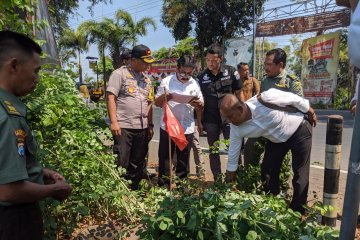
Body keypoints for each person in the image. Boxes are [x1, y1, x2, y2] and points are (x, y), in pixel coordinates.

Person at [0, 30, 72, 240]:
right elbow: (8, 191)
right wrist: (54, 190)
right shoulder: (7, 115)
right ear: (13, 66)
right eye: (36, 71)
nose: (37, 79)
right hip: (14, 221)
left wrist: (40, 172)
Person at [220, 89, 317, 214]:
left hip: (299, 130)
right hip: (276, 140)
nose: (228, 121)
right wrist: (229, 182)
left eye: (229, 116)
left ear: (240, 109)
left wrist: (310, 110)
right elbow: (233, 152)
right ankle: (272, 205)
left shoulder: (266, 99)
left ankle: (297, 213)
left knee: (300, 174)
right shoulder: (236, 128)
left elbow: (294, 99)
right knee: (267, 171)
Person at [244, 48, 304, 167]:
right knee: (250, 148)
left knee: (278, 161)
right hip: (265, 125)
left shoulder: (291, 82)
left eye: (269, 64)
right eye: (265, 64)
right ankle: (251, 178)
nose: (266, 67)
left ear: (280, 64)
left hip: (283, 126)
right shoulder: (265, 81)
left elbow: (300, 107)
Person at [106, 44, 155, 190]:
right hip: (124, 127)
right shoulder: (119, 74)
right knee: (122, 161)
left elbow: (149, 103)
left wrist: (150, 125)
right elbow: (110, 98)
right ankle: (120, 192)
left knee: (138, 162)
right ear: (133, 60)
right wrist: (114, 122)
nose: (148, 64)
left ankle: (134, 191)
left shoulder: (147, 80)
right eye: (145, 61)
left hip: (142, 127)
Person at [155, 55, 204, 186]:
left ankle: (182, 185)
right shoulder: (166, 81)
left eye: (189, 73)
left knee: (184, 158)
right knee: (165, 157)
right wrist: (165, 97)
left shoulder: (194, 83)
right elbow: (157, 103)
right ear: (177, 68)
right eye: (183, 72)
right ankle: (163, 185)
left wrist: (197, 104)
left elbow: (201, 105)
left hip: (187, 126)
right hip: (168, 126)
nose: (186, 76)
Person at [197, 43, 244, 180]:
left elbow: (239, 94)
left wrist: (242, 114)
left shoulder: (231, 72)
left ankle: (236, 179)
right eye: (208, 60)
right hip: (211, 120)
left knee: (234, 148)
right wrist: (199, 122)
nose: (210, 63)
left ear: (221, 59)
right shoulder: (201, 77)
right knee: (214, 150)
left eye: (214, 60)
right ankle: (217, 180)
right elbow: (200, 102)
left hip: (230, 118)